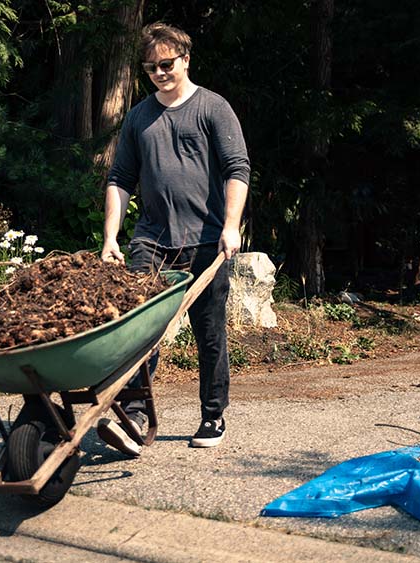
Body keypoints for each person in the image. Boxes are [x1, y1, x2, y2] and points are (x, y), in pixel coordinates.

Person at [96, 22, 250, 455]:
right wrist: (111, 235)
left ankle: (213, 414)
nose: (159, 73)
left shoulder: (213, 108)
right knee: (139, 330)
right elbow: (120, 177)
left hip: (204, 240)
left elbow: (238, 168)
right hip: (151, 240)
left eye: (166, 64)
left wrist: (231, 226)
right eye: (151, 67)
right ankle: (136, 417)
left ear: (185, 59)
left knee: (209, 332)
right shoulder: (139, 117)